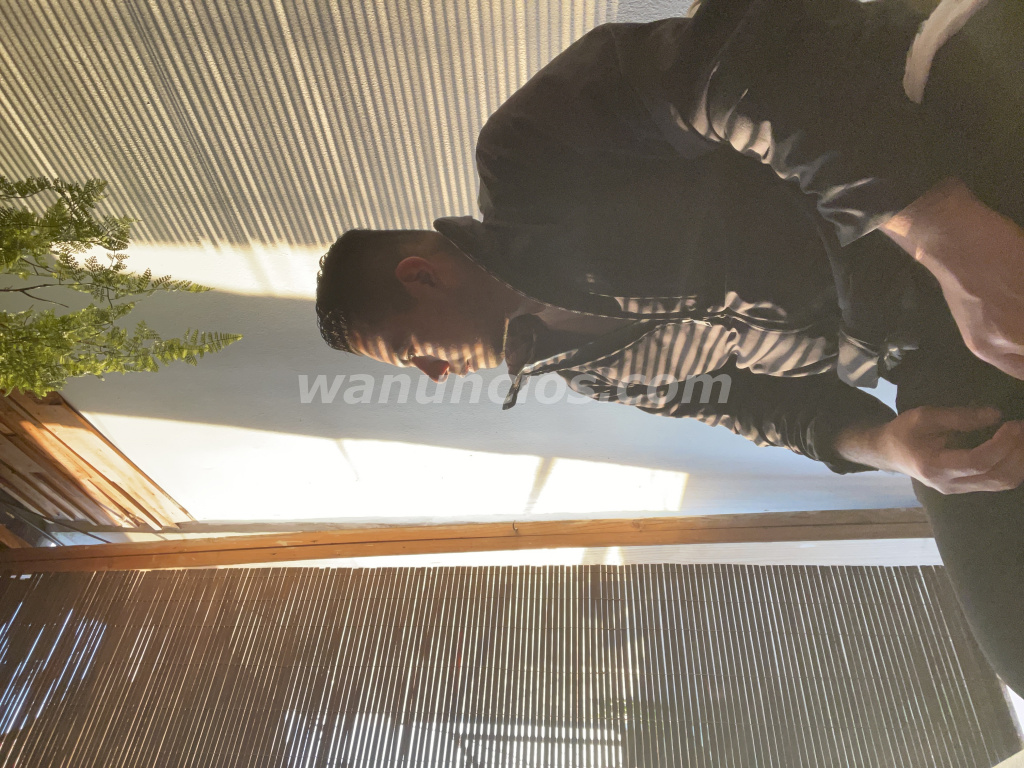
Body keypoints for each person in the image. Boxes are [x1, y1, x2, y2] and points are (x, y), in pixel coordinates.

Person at [315, 0, 1024, 693]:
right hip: (922, 338)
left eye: (409, 350)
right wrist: (887, 445)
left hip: (935, 149)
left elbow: (732, 60)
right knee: (1014, 638)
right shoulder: (593, 374)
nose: (434, 374)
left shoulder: (525, 154)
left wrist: (937, 225)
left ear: (422, 276)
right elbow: (759, 410)